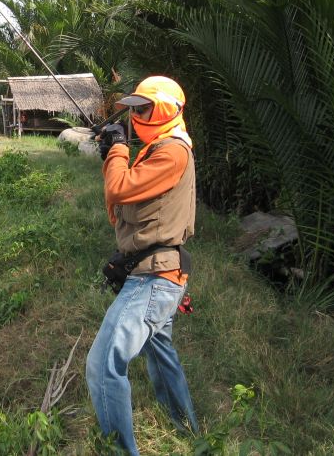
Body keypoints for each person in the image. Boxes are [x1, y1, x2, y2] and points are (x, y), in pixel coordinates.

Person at [86, 76, 199, 454]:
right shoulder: (157, 148)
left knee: (103, 365)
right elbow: (121, 200)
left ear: (165, 109)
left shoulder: (173, 151)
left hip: (155, 278)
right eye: (133, 109)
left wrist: (117, 148)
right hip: (154, 270)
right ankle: (188, 432)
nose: (135, 116)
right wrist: (111, 154)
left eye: (143, 108)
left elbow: (119, 189)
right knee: (160, 355)